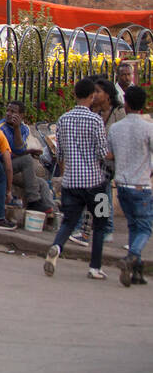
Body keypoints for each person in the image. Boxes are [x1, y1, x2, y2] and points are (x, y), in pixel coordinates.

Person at [45, 78, 115, 280]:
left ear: (74, 95)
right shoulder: (95, 120)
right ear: (92, 96)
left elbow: (61, 154)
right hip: (96, 183)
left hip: (70, 183)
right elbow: (102, 153)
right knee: (100, 223)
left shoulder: (63, 119)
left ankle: (57, 246)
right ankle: (95, 267)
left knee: (68, 221)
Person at [108, 85, 152, 286]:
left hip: (122, 184)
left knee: (134, 226)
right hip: (141, 185)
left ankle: (137, 272)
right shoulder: (148, 128)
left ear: (125, 104)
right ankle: (132, 256)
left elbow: (110, 155)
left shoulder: (116, 128)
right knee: (145, 228)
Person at [0, 101, 55, 215]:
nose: (8, 114)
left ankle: (51, 214)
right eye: (8, 110)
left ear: (21, 116)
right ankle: (33, 201)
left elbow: (19, 149)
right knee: (27, 159)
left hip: (13, 168)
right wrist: (25, 152)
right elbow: (0, 156)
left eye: (13, 112)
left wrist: (17, 128)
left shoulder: (24, 128)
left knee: (42, 183)